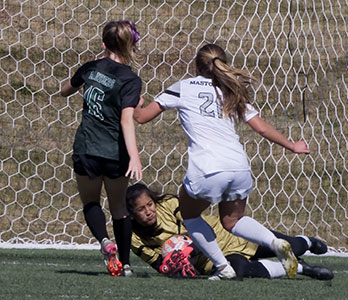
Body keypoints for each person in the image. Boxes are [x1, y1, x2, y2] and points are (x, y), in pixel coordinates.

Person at [133, 43, 310, 280]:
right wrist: (292, 145)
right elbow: (262, 128)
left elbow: (142, 118)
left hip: (207, 169)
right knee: (232, 220)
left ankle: (223, 268)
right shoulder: (231, 91)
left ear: (196, 65)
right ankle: (275, 242)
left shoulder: (183, 87)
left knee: (190, 217)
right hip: (239, 166)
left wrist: (136, 104)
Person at [60, 20, 143, 276]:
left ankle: (105, 242)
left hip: (86, 147)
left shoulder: (90, 68)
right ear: (131, 45)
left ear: (103, 44)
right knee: (119, 208)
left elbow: (64, 91)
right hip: (113, 152)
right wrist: (135, 156)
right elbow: (127, 119)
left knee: (90, 201)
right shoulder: (130, 80)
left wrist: (76, 85)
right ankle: (126, 265)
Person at [126, 183, 333, 280]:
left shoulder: (169, 204)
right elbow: (159, 264)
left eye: (150, 204)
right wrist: (176, 263)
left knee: (291, 246)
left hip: (226, 235)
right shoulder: (134, 238)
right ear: (132, 214)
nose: (149, 211)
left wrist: (186, 245)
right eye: (141, 209)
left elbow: (192, 226)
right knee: (240, 272)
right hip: (212, 258)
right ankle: (301, 269)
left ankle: (307, 242)